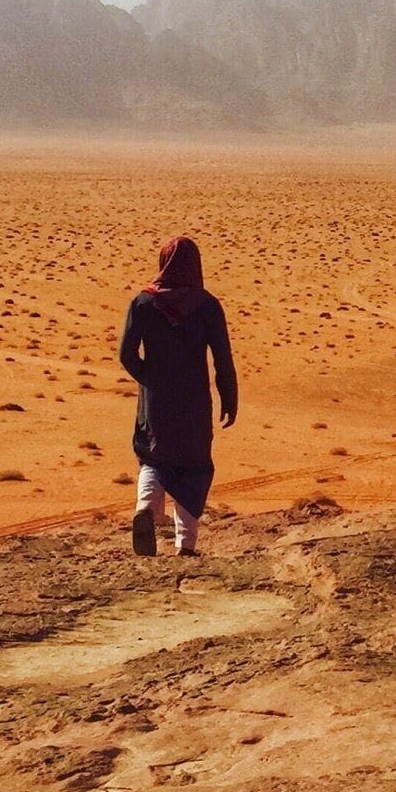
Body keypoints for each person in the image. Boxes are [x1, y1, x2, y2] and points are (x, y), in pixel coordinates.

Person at [119, 235, 237, 556]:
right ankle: (186, 545)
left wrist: (149, 380)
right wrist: (229, 398)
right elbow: (222, 358)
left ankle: (146, 507)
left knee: (153, 456)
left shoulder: (143, 303)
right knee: (194, 466)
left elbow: (126, 354)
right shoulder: (208, 306)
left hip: (156, 402)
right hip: (194, 402)